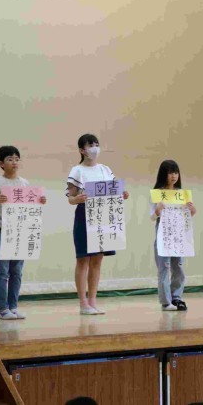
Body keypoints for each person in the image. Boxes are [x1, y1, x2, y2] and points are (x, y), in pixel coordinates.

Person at [66, 134, 129, 315]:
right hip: (84, 215)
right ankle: (83, 303)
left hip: (103, 216)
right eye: (90, 145)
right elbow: (70, 198)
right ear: (82, 150)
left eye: (96, 144)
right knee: (83, 260)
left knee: (97, 260)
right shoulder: (77, 170)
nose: (94, 148)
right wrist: (76, 199)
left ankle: (93, 301)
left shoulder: (105, 169)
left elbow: (114, 190)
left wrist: (122, 194)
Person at [0, 146, 47, 320]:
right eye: (10, 159)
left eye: (16, 159)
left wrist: (40, 201)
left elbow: (29, 207)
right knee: (2, 272)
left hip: (20, 231)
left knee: (17, 272)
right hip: (2, 230)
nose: (14, 162)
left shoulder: (24, 183)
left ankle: (13, 306)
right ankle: (2, 309)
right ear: (1, 163)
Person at [151, 160, 196, 311]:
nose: (174, 176)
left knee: (179, 267)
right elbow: (152, 217)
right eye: (170, 173)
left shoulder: (182, 193)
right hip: (164, 237)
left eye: (176, 172)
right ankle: (166, 301)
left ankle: (177, 297)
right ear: (163, 174)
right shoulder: (157, 193)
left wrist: (192, 210)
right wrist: (157, 210)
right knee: (164, 267)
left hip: (179, 237)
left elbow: (189, 215)